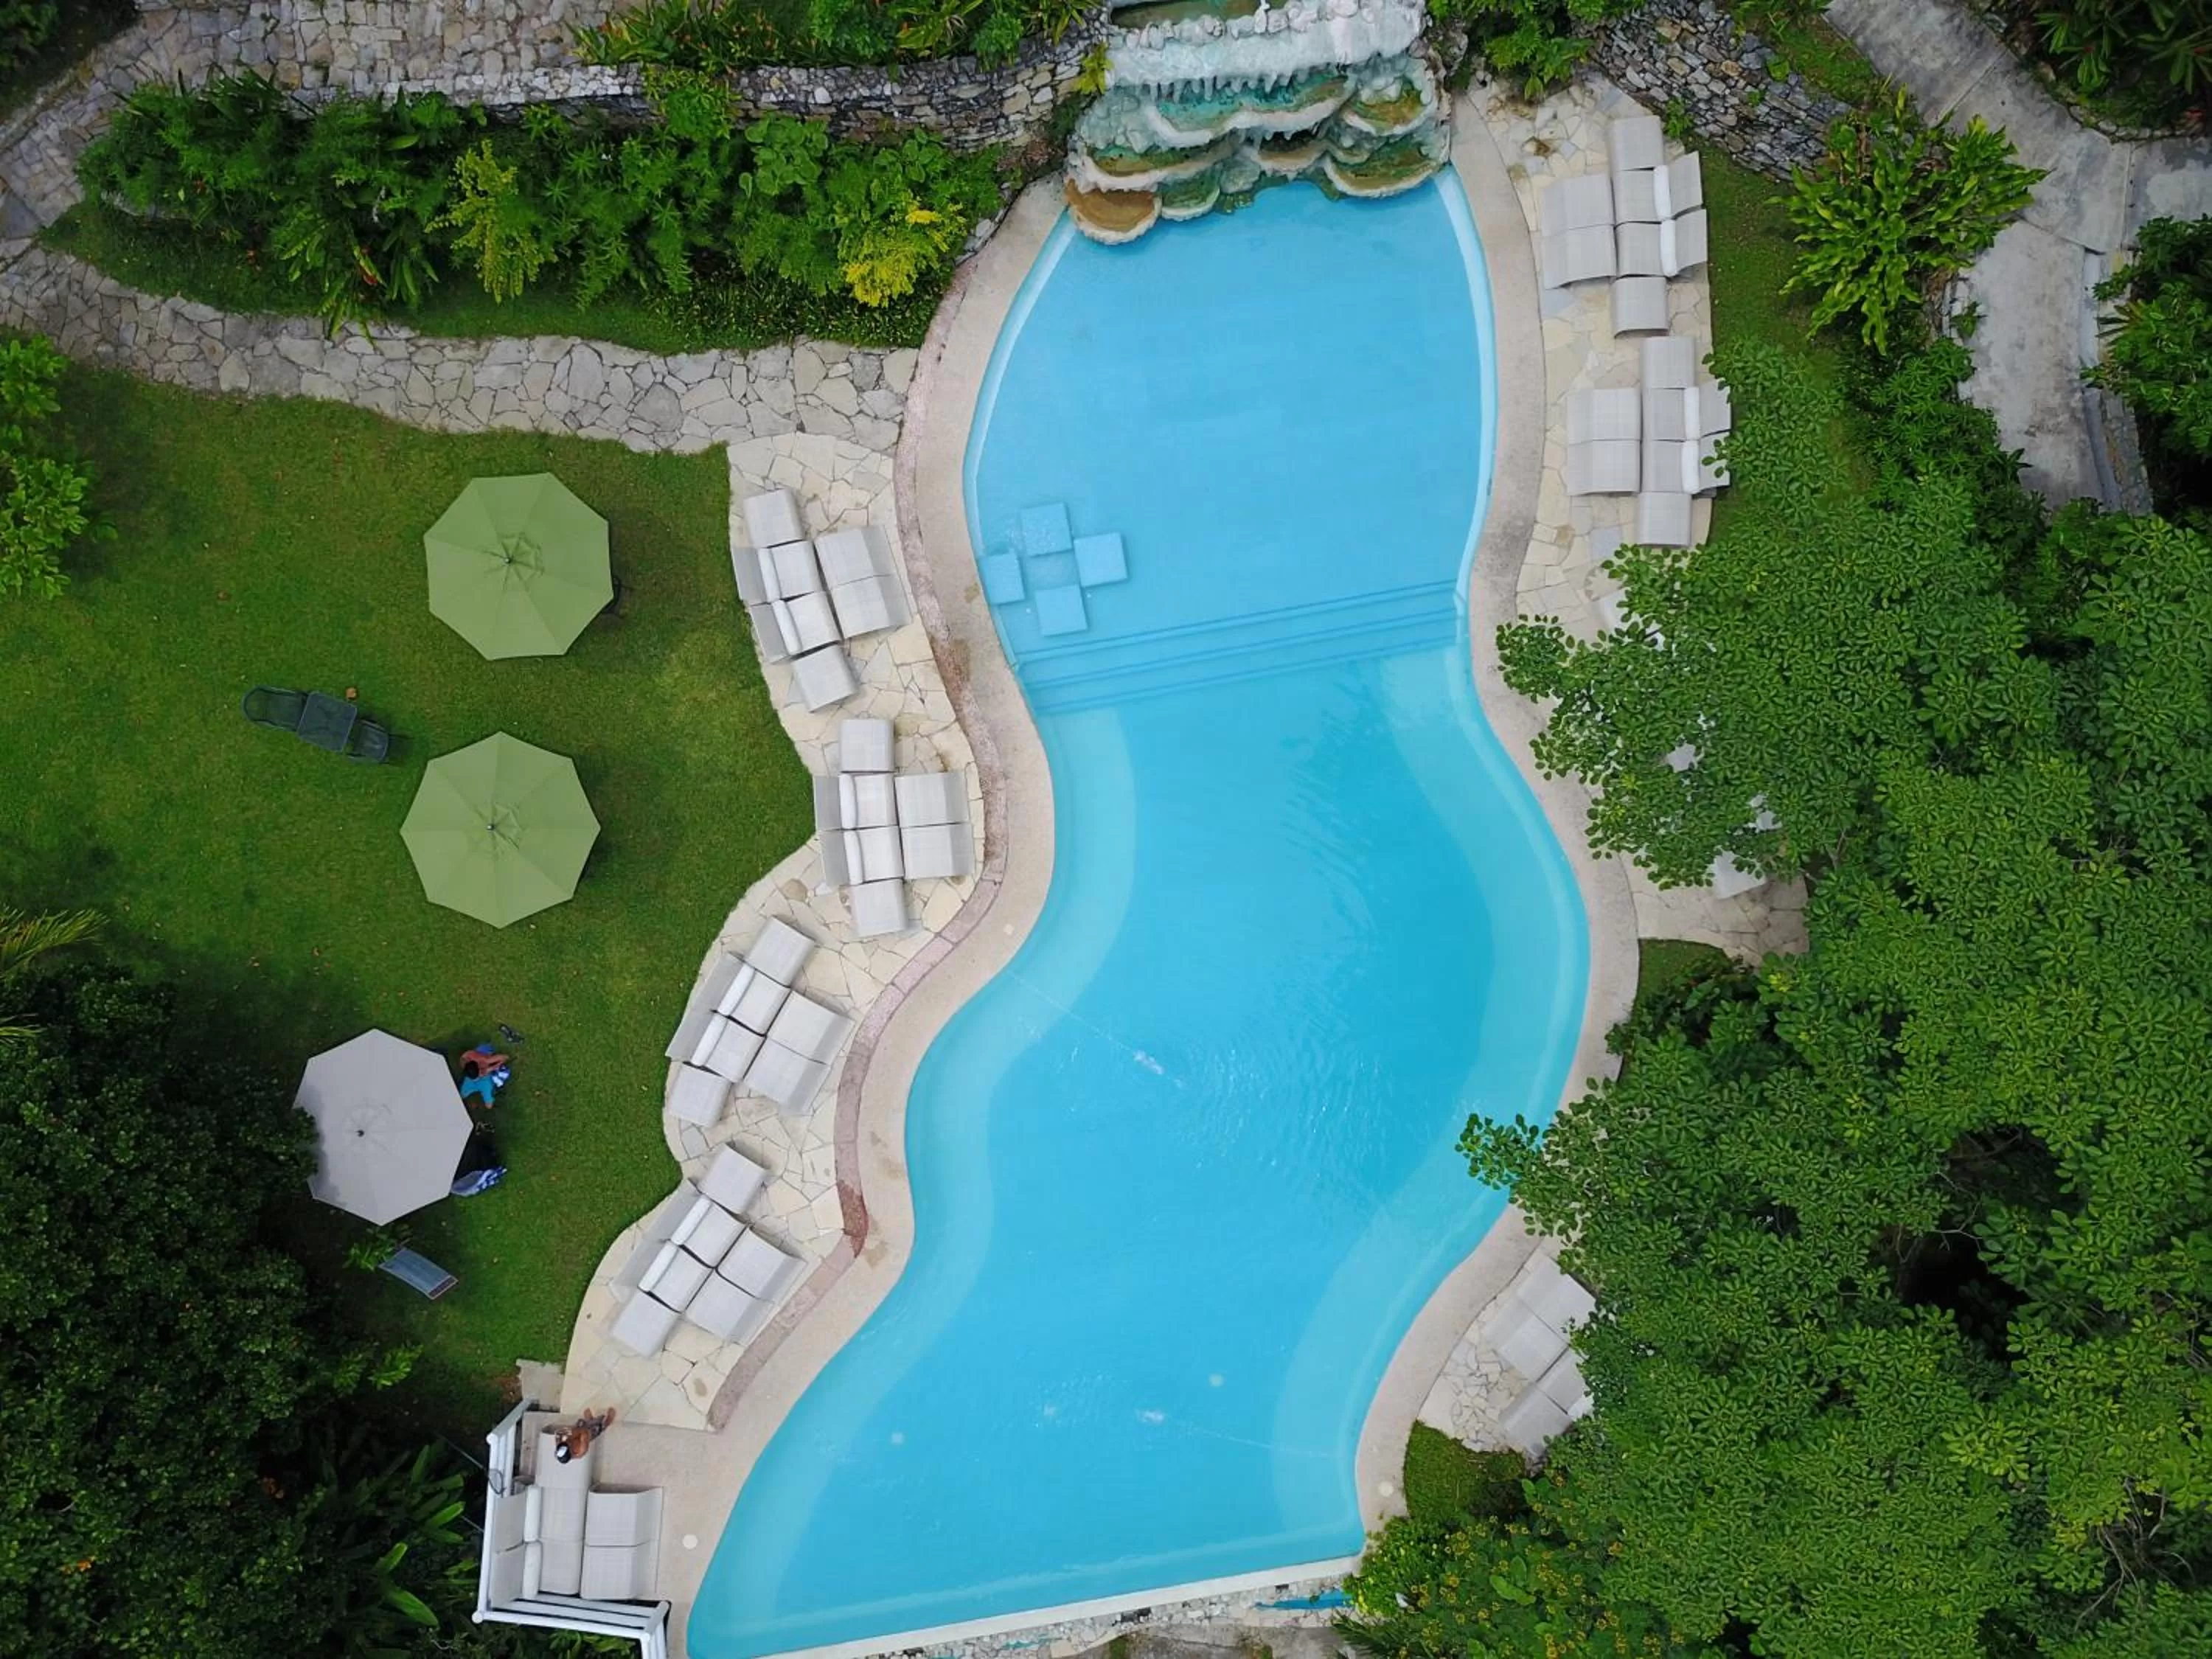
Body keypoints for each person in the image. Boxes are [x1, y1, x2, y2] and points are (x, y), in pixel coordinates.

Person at [551, 1406, 616, 1465]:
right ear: (571, 1452)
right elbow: (584, 1433)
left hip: (579, 1428)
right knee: (600, 1425)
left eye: (565, 1443)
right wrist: (573, 1433)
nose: (568, 1443)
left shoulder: (561, 1444)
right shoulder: (581, 1450)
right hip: (590, 1432)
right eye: (569, 1445)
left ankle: (590, 1420)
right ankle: (608, 1421)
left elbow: (558, 1433)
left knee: (586, 1415)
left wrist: (560, 1438)